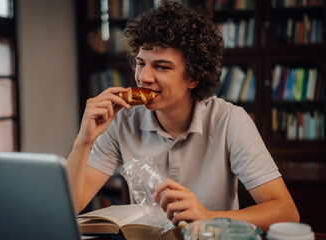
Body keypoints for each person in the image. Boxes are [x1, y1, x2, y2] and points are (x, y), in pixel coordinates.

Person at [67, 1, 299, 232]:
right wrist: (83, 141)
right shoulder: (122, 121)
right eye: (140, 63)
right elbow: (71, 206)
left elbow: (286, 212)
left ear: (193, 78)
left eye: (162, 67)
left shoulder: (231, 121)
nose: (144, 77)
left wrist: (208, 216)